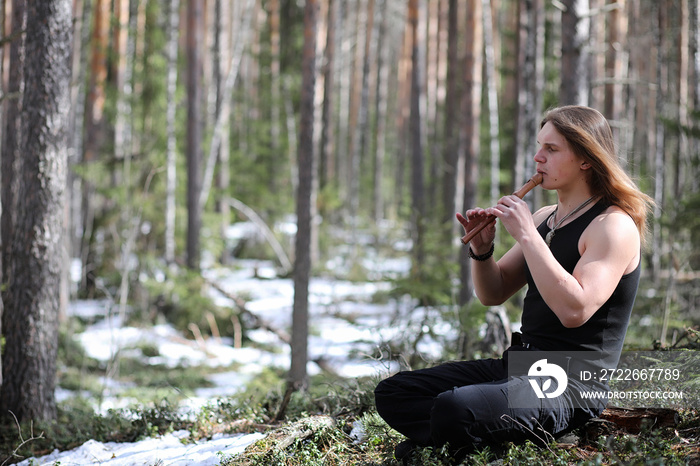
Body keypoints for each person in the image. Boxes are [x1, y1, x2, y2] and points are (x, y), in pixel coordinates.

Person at [374, 105, 654, 464]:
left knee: (454, 406)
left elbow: (575, 310)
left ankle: (454, 444)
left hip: (571, 384)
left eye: (552, 150)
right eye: (540, 147)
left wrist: (527, 236)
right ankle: (455, 442)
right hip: (520, 366)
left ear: (585, 158)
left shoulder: (612, 226)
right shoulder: (544, 218)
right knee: (395, 392)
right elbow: (493, 293)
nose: (538, 158)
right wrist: (482, 251)